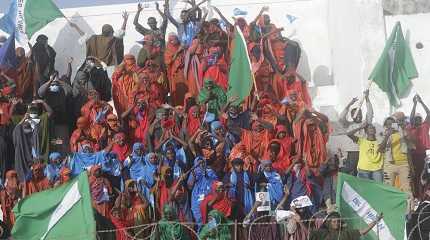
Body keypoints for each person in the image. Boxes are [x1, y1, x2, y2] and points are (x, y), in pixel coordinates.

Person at [330, 90, 374, 176]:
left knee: (363, 173)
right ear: (352, 116)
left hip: (364, 151)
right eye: (356, 114)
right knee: (351, 171)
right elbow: (341, 118)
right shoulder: (348, 125)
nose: (358, 116)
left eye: (359, 114)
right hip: (352, 151)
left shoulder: (365, 124)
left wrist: (367, 99)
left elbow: (370, 113)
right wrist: (350, 104)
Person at [13, 100, 52, 181]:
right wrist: (24, 118)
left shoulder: (41, 120)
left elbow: (50, 112)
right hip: (26, 152)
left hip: (37, 151)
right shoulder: (24, 121)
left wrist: (43, 102)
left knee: (38, 172)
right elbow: (16, 128)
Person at [38, 70, 73, 153]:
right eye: (53, 76)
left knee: (61, 141)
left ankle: (63, 158)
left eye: (56, 76)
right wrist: (50, 81)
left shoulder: (62, 89)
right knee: (52, 142)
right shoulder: (47, 89)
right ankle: (53, 158)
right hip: (49, 121)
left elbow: (70, 91)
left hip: (61, 121)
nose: (54, 80)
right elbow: (40, 92)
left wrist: (59, 81)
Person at [408, 94, 430, 198]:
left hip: (422, 155)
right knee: (414, 175)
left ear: (421, 120)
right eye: (416, 119)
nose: (417, 120)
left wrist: (421, 102)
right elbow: (411, 117)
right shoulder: (411, 128)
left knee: (423, 175)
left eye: (419, 118)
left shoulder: (425, 126)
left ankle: (422, 195)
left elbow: (429, 113)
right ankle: (415, 195)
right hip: (412, 155)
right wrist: (414, 104)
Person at [382, 115, 410, 193]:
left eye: (392, 123)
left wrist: (403, 131)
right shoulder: (382, 135)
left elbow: (411, 147)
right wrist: (387, 135)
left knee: (407, 189)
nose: (390, 126)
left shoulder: (403, 133)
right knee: (388, 190)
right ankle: (388, 205)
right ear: (385, 126)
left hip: (404, 164)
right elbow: (380, 149)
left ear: (396, 124)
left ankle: (409, 205)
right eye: (388, 124)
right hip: (389, 165)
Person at [309, 211, 383, 240]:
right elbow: (308, 234)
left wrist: (376, 221)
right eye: (334, 221)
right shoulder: (324, 233)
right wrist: (300, 221)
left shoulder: (345, 233)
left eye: (338, 221)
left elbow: (363, 231)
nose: (336, 223)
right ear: (329, 223)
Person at [164, 33, 186, 106]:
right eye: (173, 40)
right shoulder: (168, 50)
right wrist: (177, 52)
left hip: (183, 71)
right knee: (177, 90)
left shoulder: (180, 46)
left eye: (176, 39)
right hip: (174, 74)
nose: (175, 41)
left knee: (184, 88)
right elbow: (169, 61)